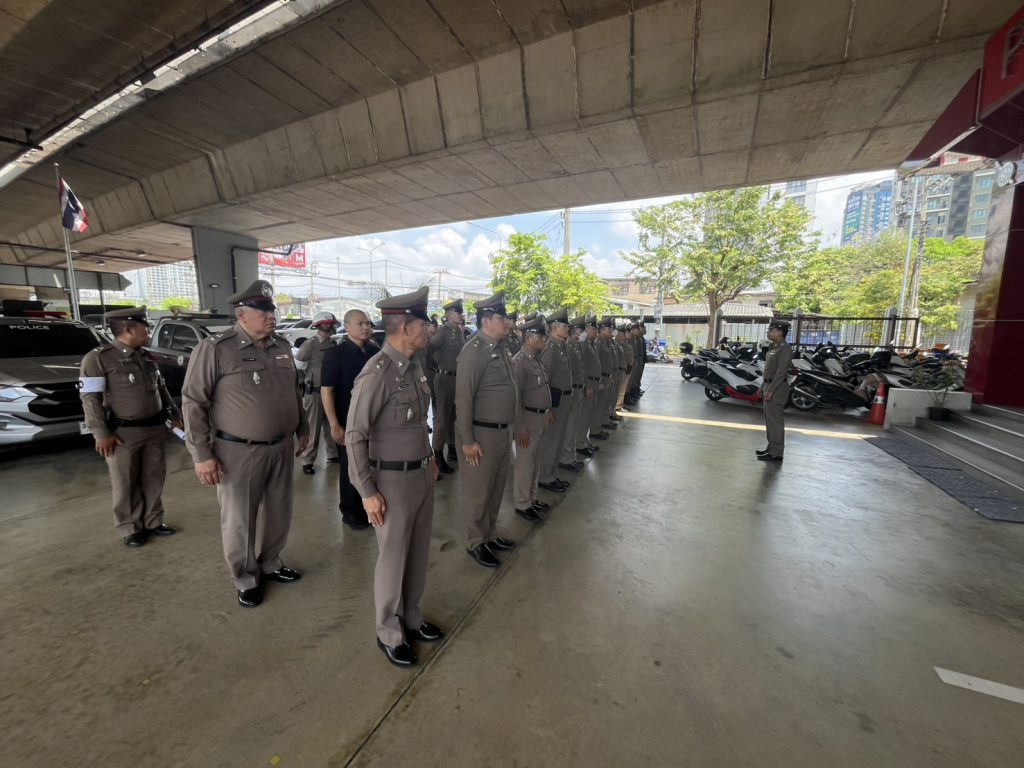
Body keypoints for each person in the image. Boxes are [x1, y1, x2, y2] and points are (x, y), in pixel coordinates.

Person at [181, 279, 309, 608]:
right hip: (238, 450)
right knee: (241, 519)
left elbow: (294, 392)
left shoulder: (281, 347)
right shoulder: (216, 349)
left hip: (281, 446)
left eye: (272, 310)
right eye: (263, 311)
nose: (271, 316)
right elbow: (194, 402)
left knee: (279, 512)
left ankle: (270, 563)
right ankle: (245, 577)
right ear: (241, 315)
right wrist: (202, 454)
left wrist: (303, 428)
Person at [345, 286, 443, 668]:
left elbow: (418, 423)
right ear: (405, 327)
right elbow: (355, 436)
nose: (428, 329)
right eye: (423, 323)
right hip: (391, 482)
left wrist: (430, 457)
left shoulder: (414, 367)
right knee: (392, 557)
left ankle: (412, 617)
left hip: (420, 474)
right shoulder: (377, 373)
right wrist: (367, 491)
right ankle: (388, 630)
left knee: (417, 553)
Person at [79, 306, 180, 547]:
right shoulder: (98, 358)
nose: (149, 332)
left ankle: (153, 521)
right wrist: (100, 433)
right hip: (122, 433)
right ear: (128, 329)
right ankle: (130, 527)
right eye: (145, 327)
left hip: (154, 428)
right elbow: (90, 399)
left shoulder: (146, 356)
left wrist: (174, 414)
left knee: (154, 477)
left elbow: (161, 389)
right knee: (125, 481)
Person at [455, 291, 518, 568]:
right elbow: (463, 398)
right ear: (486, 321)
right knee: (479, 492)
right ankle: (475, 542)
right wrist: (467, 440)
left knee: (495, 489)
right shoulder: (474, 351)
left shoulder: (500, 349)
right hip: (482, 435)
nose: (507, 323)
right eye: (502, 318)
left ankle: (489, 534)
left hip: (502, 432)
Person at [321, 309, 380, 530]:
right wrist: (334, 424)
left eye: (368, 323)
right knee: (350, 466)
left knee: (370, 465)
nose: (366, 327)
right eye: (360, 323)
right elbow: (327, 391)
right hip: (347, 421)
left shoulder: (375, 352)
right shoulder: (335, 354)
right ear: (346, 327)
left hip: (373, 421)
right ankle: (351, 512)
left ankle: (370, 507)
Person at [511, 315, 555, 522]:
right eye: (540, 336)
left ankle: (532, 498)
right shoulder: (519, 362)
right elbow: (516, 398)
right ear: (528, 337)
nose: (543, 339)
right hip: (528, 419)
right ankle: (522, 503)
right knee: (525, 463)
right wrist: (520, 428)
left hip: (541, 417)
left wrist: (549, 410)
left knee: (535, 461)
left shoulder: (536, 360)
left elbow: (543, 387)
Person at [295, 312, 339, 475]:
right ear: (320, 325)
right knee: (313, 427)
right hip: (314, 392)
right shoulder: (310, 345)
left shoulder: (333, 343)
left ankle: (333, 454)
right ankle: (307, 460)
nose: (332, 327)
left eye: (332, 324)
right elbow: (298, 367)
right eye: (328, 324)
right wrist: (302, 386)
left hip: (331, 392)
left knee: (331, 424)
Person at [427, 298, 465, 473]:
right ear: (449, 314)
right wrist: (435, 367)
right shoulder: (443, 331)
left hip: (456, 379)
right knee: (442, 419)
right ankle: (437, 454)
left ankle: (452, 449)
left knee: (453, 418)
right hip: (444, 379)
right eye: (459, 312)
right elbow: (428, 349)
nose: (461, 315)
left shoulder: (458, 331)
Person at [537, 308, 573, 491]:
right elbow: (545, 379)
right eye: (564, 326)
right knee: (551, 440)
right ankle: (545, 477)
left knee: (558, 440)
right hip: (555, 401)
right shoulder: (550, 348)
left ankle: (552, 474)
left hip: (564, 400)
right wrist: (548, 408)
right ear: (555, 328)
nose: (567, 329)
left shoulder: (560, 346)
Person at [758, 319, 793, 463]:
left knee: (775, 421)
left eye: (771, 330)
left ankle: (777, 452)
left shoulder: (785, 349)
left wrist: (771, 390)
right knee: (769, 420)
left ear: (780, 332)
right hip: (769, 385)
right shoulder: (774, 347)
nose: (769, 332)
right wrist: (762, 386)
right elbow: (769, 371)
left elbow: (781, 372)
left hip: (777, 388)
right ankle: (771, 448)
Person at [559, 317, 587, 472]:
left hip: (578, 389)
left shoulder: (575, 346)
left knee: (574, 426)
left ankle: (571, 456)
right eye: (580, 330)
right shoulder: (568, 347)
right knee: (569, 428)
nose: (581, 333)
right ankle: (565, 458)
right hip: (572, 390)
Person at [575, 316, 602, 457]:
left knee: (588, 415)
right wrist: (588, 386)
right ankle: (579, 443)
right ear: (587, 329)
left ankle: (584, 440)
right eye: (593, 329)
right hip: (589, 383)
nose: (596, 332)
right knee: (583, 416)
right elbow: (583, 367)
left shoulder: (591, 343)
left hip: (594, 382)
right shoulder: (583, 344)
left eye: (596, 329)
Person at [590, 318, 615, 440]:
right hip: (601, 378)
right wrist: (599, 381)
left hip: (606, 377)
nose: (611, 331)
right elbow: (596, 364)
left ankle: (598, 427)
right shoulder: (598, 343)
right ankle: (595, 430)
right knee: (599, 406)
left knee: (603, 404)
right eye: (609, 329)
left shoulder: (605, 342)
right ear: (602, 330)